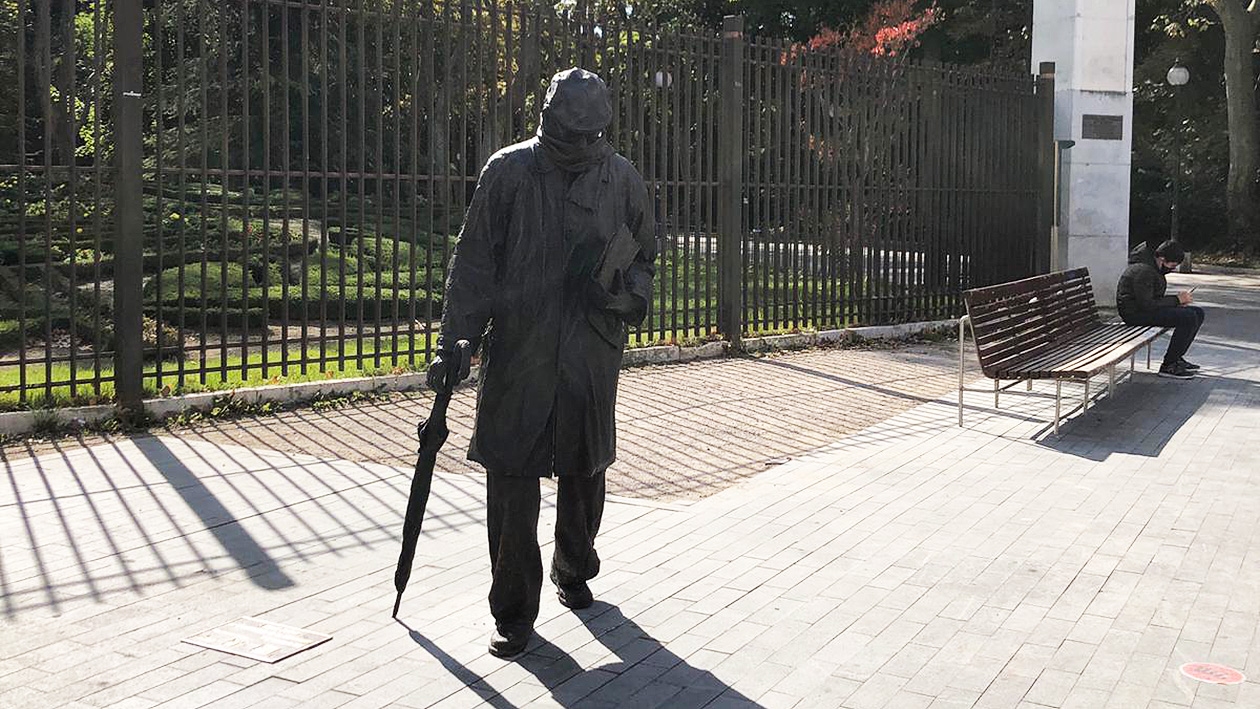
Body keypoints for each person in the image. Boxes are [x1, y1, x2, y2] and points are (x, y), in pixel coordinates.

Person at [426, 68, 656, 659]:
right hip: (520, 351)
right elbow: (474, 260)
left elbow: (644, 264)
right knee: (511, 480)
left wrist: (619, 296)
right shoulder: (509, 171)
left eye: (590, 137)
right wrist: (458, 339)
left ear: (603, 132)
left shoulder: (623, 181)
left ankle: (574, 568)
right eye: (567, 135)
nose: (578, 148)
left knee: (584, 470)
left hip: (588, 352)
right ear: (546, 123)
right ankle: (513, 610)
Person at [1116, 240, 1205, 379]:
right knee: (1188, 317)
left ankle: (1177, 357)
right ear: (1162, 259)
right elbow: (1147, 304)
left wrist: (1176, 303)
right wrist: (1176, 300)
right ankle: (1169, 365)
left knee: (1197, 313)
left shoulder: (1153, 268)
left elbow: (1152, 300)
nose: (1172, 269)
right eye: (1172, 265)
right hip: (1135, 314)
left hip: (1143, 310)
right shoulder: (1143, 271)